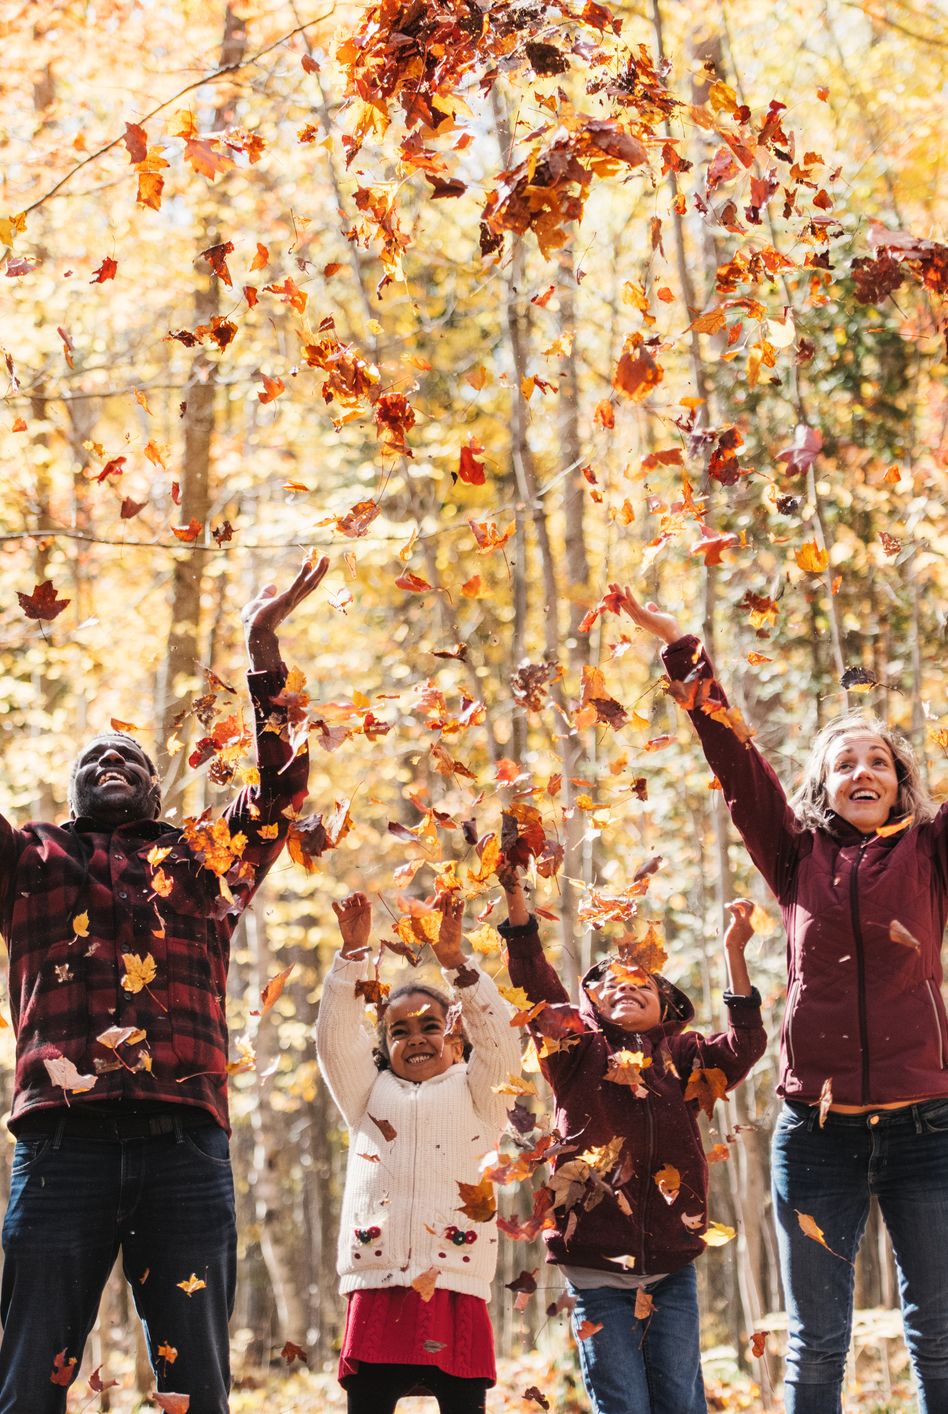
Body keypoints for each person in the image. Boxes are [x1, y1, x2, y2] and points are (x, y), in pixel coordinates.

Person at [0, 556, 328, 1414]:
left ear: (155, 786)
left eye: (130, 755)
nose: (113, 759)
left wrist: (263, 650)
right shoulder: (30, 858)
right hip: (59, 1148)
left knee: (200, 1388)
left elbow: (281, 795)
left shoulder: (200, 859)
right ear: (73, 789)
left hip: (182, 1148)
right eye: (96, 756)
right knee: (28, 1376)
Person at [613, 585, 948, 1414]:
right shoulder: (795, 857)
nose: (862, 772)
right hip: (818, 1135)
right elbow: (734, 759)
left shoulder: (931, 854)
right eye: (844, 764)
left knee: (939, 1331)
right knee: (819, 1341)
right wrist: (682, 648)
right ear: (822, 788)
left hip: (928, 1130)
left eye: (878, 761)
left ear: (903, 784)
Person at [499, 864, 765, 1414]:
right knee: (623, 1402)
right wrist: (515, 899)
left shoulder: (686, 1058)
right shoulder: (576, 1054)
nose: (624, 988)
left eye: (640, 984)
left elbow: (746, 1044)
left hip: (669, 1267)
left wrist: (735, 954)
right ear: (591, 1007)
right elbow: (536, 987)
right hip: (595, 1269)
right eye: (609, 986)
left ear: (668, 1008)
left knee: (679, 1401)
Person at [316, 889, 521, 1414]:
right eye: (399, 1031)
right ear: (384, 1046)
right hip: (378, 1281)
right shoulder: (368, 1096)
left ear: (457, 1038)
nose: (417, 1038)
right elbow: (335, 1039)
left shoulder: (479, 1094)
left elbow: (501, 1040)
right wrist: (352, 955)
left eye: (432, 1025)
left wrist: (456, 962)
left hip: (454, 1279)